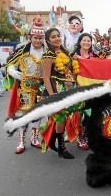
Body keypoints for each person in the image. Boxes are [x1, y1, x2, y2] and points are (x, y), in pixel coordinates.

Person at [4, 15, 46, 154]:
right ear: (31, 37)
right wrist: (12, 71)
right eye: (36, 38)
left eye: (40, 38)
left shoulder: (47, 51)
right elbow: (11, 63)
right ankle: (21, 140)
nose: (38, 41)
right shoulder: (22, 49)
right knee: (23, 113)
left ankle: (34, 138)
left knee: (38, 113)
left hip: (40, 87)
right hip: (24, 87)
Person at [41, 28, 79, 159]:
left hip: (67, 88)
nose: (57, 38)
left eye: (58, 36)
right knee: (61, 117)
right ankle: (61, 147)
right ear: (47, 40)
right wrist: (52, 95)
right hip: (56, 89)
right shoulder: (48, 56)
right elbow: (46, 77)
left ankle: (53, 140)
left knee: (63, 117)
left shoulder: (65, 52)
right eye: (53, 37)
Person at [71, 33, 98, 150]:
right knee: (80, 113)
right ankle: (80, 136)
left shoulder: (95, 57)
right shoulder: (73, 56)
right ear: (80, 42)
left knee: (90, 114)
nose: (86, 42)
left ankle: (87, 134)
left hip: (91, 90)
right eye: (84, 40)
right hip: (78, 89)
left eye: (89, 41)